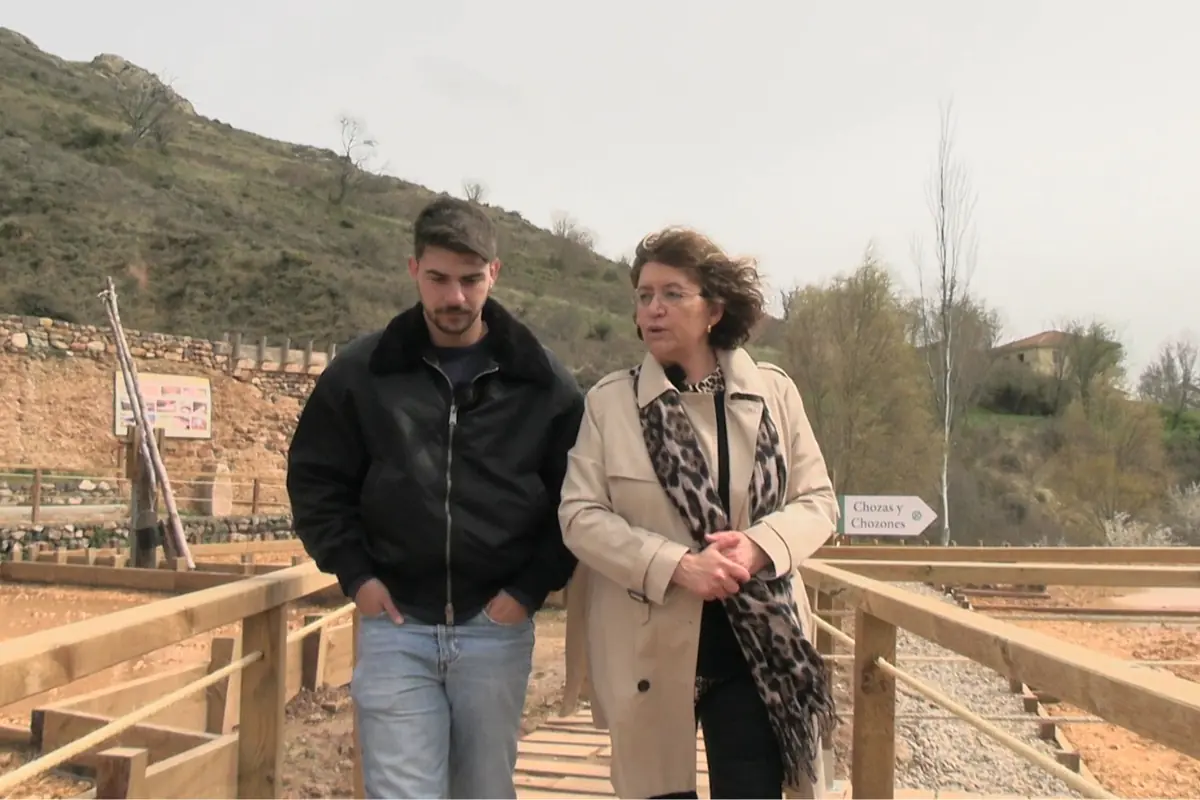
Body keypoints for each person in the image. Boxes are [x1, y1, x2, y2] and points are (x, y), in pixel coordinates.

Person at [286, 195, 585, 799]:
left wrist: (527, 591)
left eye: (471, 280)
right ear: (413, 270)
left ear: (494, 274)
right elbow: (317, 480)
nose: (455, 298)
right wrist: (357, 576)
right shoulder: (361, 373)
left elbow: (578, 498)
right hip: (395, 625)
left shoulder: (542, 382)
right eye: (439, 279)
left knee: (482, 791)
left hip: (494, 629)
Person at [558, 226, 839, 799]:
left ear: (713, 308)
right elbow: (579, 515)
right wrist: (678, 565)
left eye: (671, 294)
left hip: (757, 648)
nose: (653, 310)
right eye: (643, 296)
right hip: (648, 645)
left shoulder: (774, 395)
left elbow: (818, 502)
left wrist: (760, 547)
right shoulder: (610, 403)